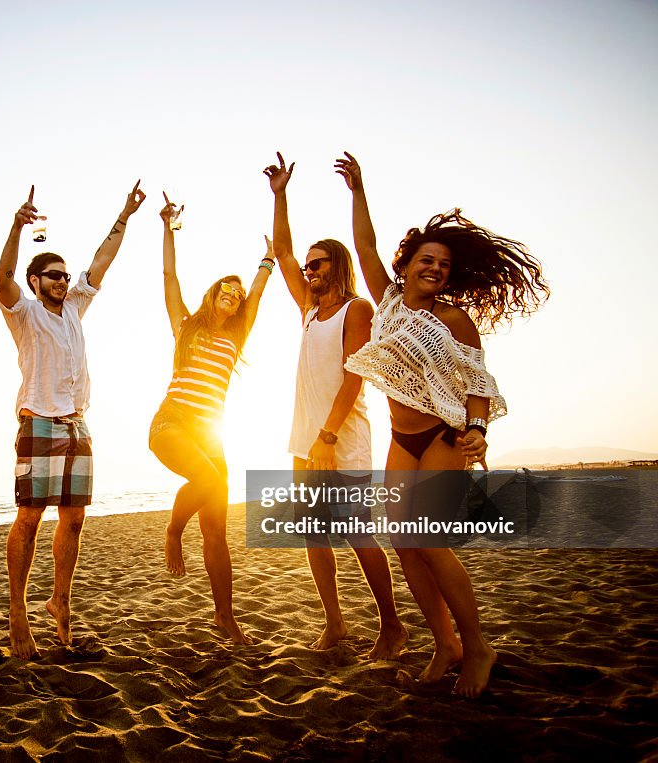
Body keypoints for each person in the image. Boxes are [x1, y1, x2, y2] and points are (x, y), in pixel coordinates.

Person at [335, 151, 549, 697]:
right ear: (406, 265)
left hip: (442, 435)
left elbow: (479, 386)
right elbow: (363, 245)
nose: (435, 269)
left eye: (444, 265)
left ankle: (478, 647)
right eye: (426, 260)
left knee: (428, 541)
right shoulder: (386, 299)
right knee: (404, 545)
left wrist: (479, 429)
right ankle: (445, 643)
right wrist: (358, 190)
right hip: (400, 438)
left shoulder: (454, 320)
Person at [264, 153, 407, 658]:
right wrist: (280, 195)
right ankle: (336, 624)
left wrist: (327, 437)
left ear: (337, 266)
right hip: (305, 438)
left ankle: (392, 625)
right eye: (308, 267)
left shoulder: (356, 308)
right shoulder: (309, 308)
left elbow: (355, 375)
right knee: (313, 534)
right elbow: (281, 253)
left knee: (354, 531)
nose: (308, 270)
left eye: (317, 264)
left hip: (340, 437)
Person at [0, 180, 146, 658]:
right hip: (38, 420)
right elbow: (2, 277)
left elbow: (103, 260)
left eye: (64, 275)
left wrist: (125, 214)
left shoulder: (76, 308)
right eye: (53, 275)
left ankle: (59, 600)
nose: (63, 280)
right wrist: (17, 227)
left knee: (75, 518)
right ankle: (18, 611)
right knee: (29, 517)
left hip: (78, 424)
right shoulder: (23, 312)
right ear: (36, 281)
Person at [148, 192, 274, 645]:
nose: (235, 295)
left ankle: (225, 616)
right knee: (203, 478)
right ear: (212, 294)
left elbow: (258, 293)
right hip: (172, 424)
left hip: (212, 433)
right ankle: (173, 529)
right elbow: (168, 276)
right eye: (228, 289)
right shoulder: (186, 326)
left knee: (218, 532)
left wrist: (268, 259)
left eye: (238, 294)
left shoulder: (236, 338)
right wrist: (167, 226)